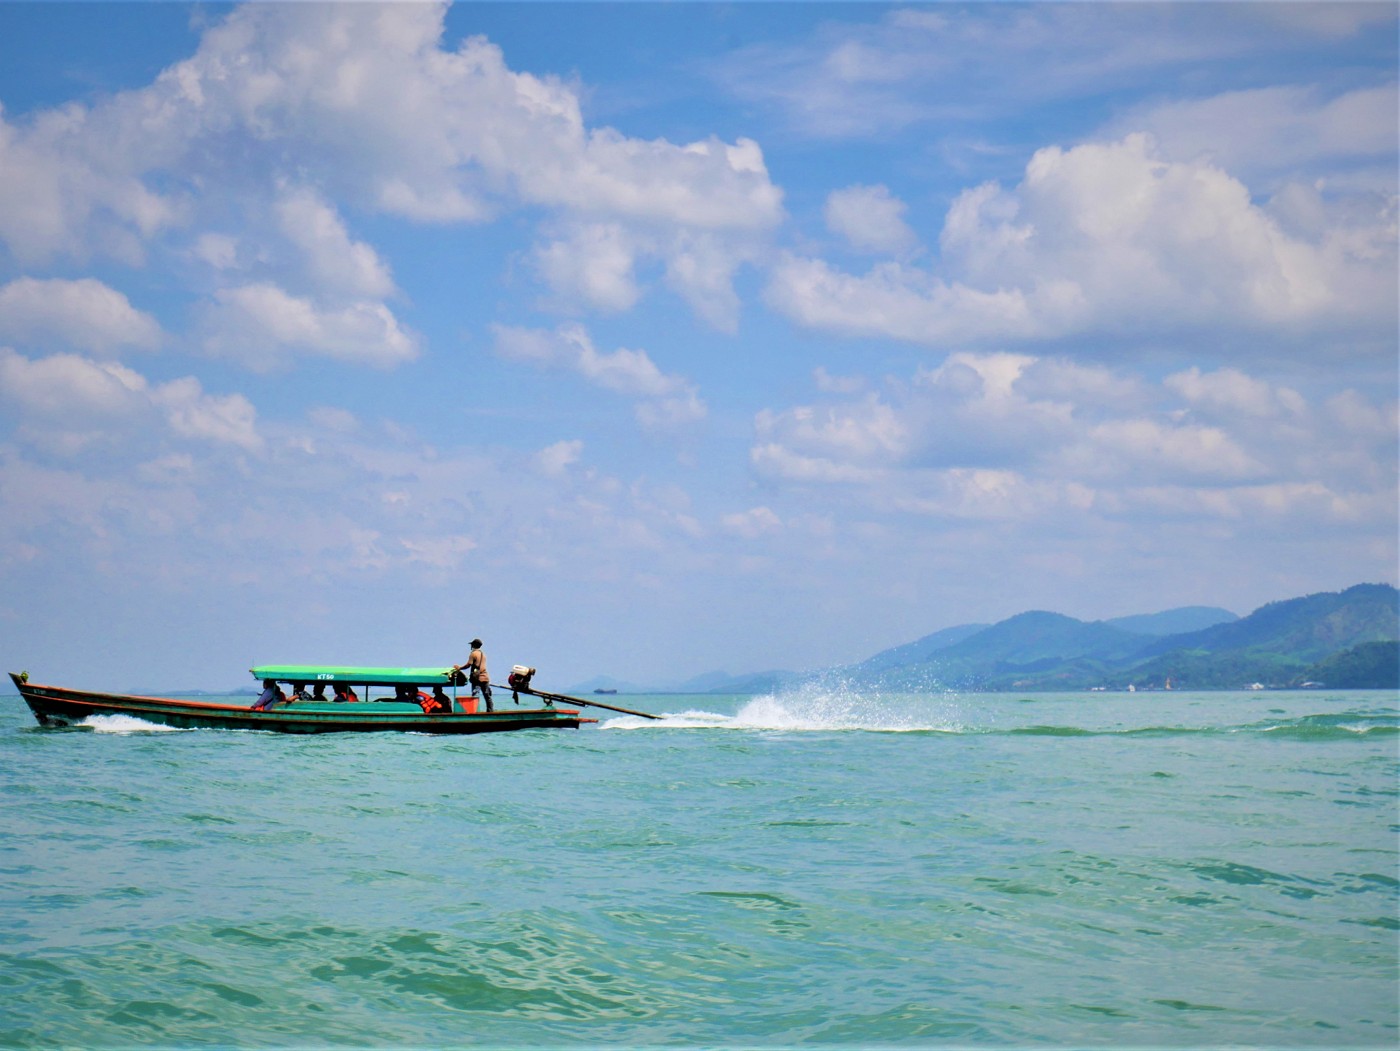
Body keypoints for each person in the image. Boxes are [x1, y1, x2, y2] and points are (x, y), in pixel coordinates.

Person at [455, 638, 493, 713]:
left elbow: (468, 665)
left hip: (477, 679)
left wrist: (459, 668)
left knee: (475, 695)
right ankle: (490, 711)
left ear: (473, 645)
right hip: (485, 677)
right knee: (487, 696)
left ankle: (475, 712)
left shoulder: (473, 654)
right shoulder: (483, 654)